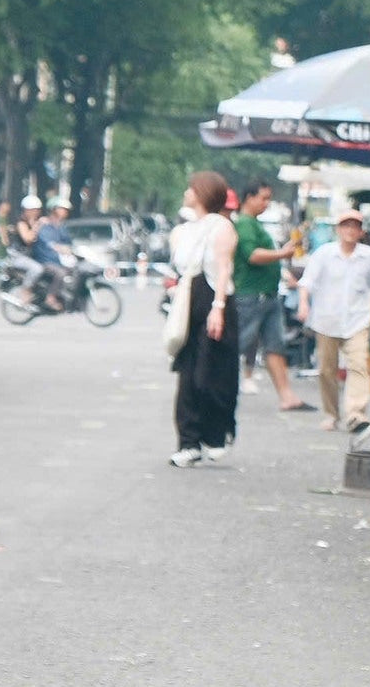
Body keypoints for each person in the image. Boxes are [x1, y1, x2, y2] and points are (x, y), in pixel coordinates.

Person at [296, 209, 370, 437]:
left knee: (358, 365)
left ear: (361, 231)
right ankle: (331, 413)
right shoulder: (324, 254)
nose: (350, 230)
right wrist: (303, 304)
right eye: (346, 225)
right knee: (327, 370)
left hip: (357, 320)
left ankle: (356, 413)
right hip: (326, 320)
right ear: (338, 230)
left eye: (354, 226)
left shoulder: (369, 256)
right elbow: (306, 282)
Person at [169, 170, 239, 468]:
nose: (187, 192)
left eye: (192, 188)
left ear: (203, 192)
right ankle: (188, 442)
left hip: (214, 302)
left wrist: (218, 307)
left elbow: (223, 269)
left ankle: (216, 433)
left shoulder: (221, 227)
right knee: (188, 376)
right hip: (189, 304)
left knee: (213, 375)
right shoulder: (183, 231)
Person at [232, 179, 312, 411]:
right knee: (238, 345)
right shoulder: (245, 224)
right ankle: (211, 387)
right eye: (263, 198)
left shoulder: (254, 224)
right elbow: (252, 255)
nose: (267, 203)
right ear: (249, 198)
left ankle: (287, 396)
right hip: (251, 296)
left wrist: (283, 251)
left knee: (275, 347)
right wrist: (281, 253)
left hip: (267, 295)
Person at [14, 194, 66, 310]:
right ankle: (25, 291)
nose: (35, 213)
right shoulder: (21, 223)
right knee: (37, 268)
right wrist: (38, 225)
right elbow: (28, 239)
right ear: (26, 210)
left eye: (37, 210)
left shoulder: (38, 221)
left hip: (32, 255)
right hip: (18, 256)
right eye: (32, 210)